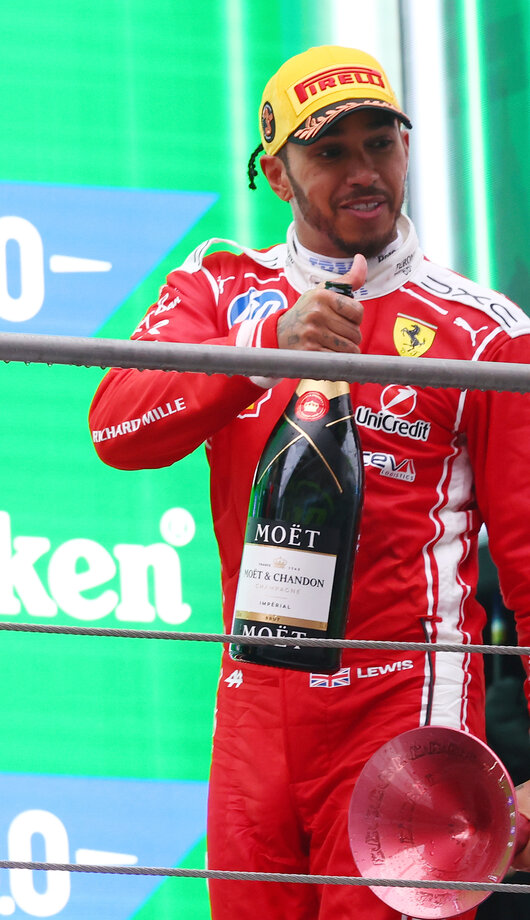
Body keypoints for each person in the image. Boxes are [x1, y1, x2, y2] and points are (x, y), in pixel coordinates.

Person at [88, 45, 530, 919]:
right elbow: (116, 427)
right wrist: (264, 351)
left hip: (403, 706)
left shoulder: (484, 334)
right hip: (253, 706)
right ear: (277, 176)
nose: (364, 173)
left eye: (381, 145)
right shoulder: (220, 288)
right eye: (330, 153)